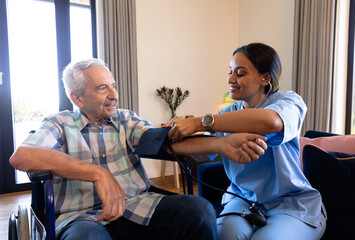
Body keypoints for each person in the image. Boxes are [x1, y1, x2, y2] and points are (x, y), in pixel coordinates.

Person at [9, 58, 268, 240]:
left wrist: (221, 143)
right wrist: (98, 174)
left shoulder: (125, 119)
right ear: (77, 98)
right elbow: (23, 156)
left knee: (199, 210)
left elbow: (165, 141)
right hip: (82, 217)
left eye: (113, 85)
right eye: (102, 88)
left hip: (138, 205)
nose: (114, 95)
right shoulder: (60, 123)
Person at [165, 43, 327, 240]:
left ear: (265, 78)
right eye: (230, 72)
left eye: (240, 74)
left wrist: (200, 122)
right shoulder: (225, 115)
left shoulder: (289, 102)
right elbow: (202, 153)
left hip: (291, 203)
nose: (230, 79)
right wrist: (176, 133)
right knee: (222, 235)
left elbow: (271, 122)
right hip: (242, 199)